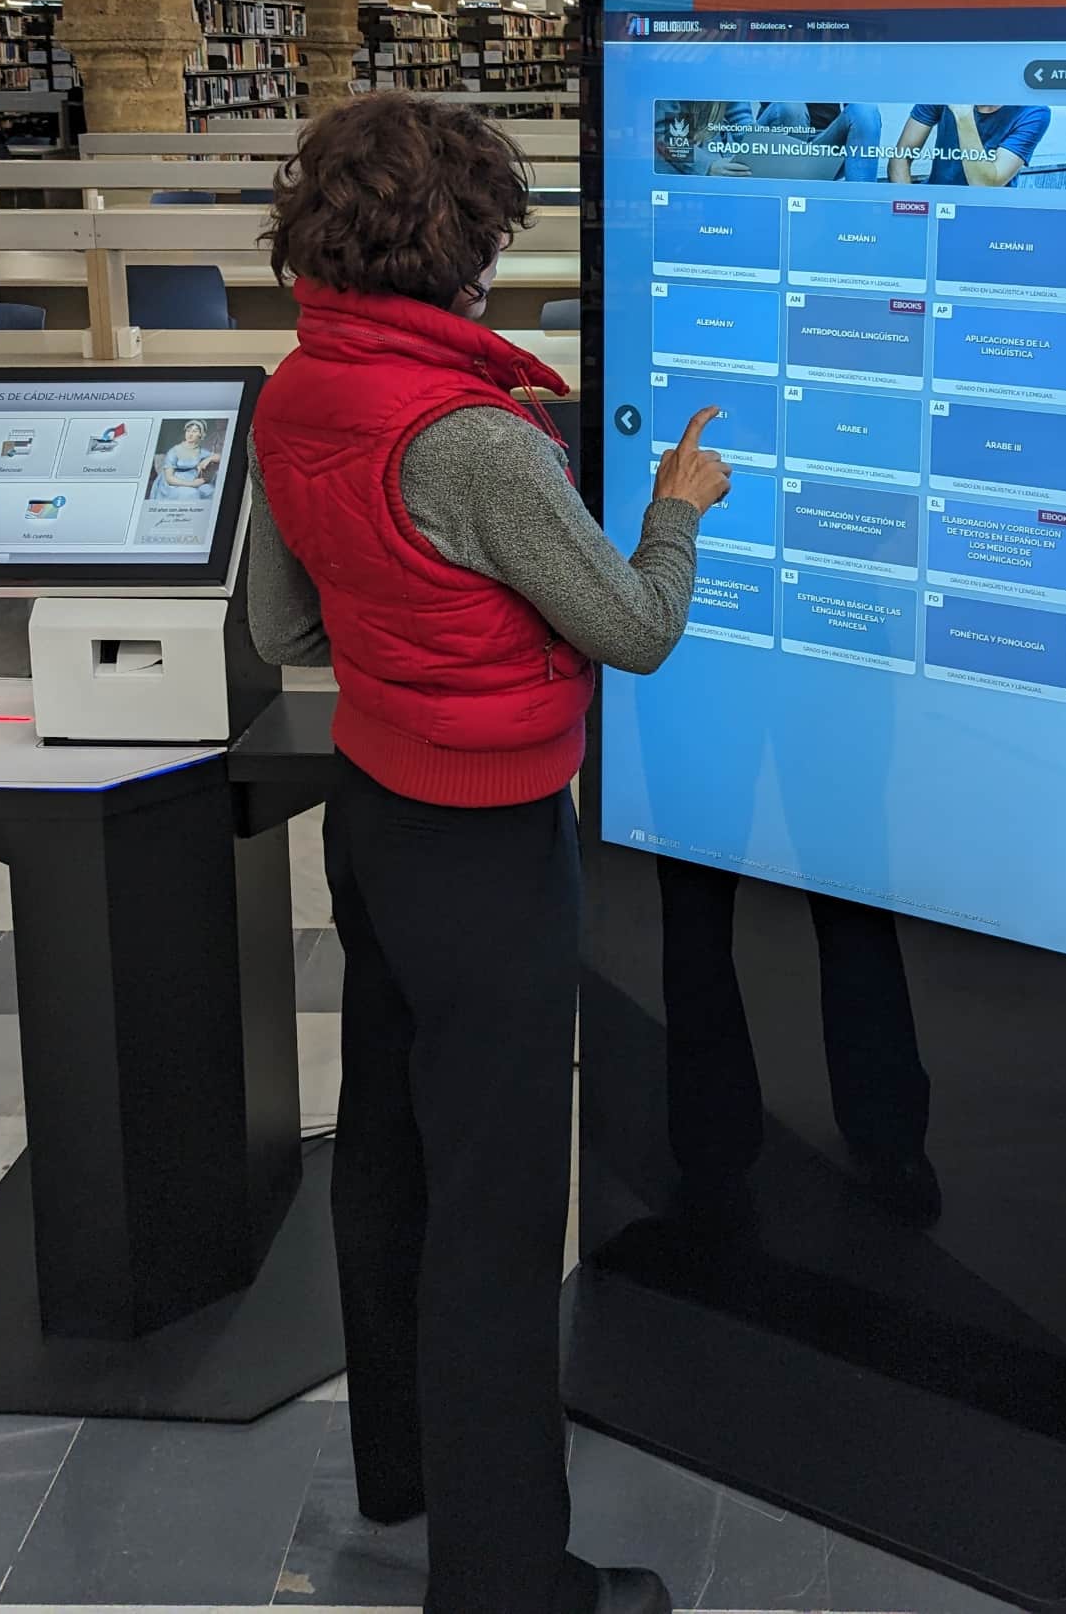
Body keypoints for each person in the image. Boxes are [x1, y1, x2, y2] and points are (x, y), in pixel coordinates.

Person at [247, 94, 730, 1614]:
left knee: (386, 1159)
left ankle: (400, 1464)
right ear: (459, 244)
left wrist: (412, 635)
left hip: (373, 813)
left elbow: (282, 626)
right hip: (488, 842)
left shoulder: (303, 385)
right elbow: (637, 631)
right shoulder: (478, 438)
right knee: (499, 1218)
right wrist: (675, 511)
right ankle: (513, 1578)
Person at [886, 101, 1049, 188]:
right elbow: (900, 158)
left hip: (989, 213)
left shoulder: (1034, 112)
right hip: (938, 203)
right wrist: (908, 211)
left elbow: (984, 186)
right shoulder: (944, 86)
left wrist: (963, 114)